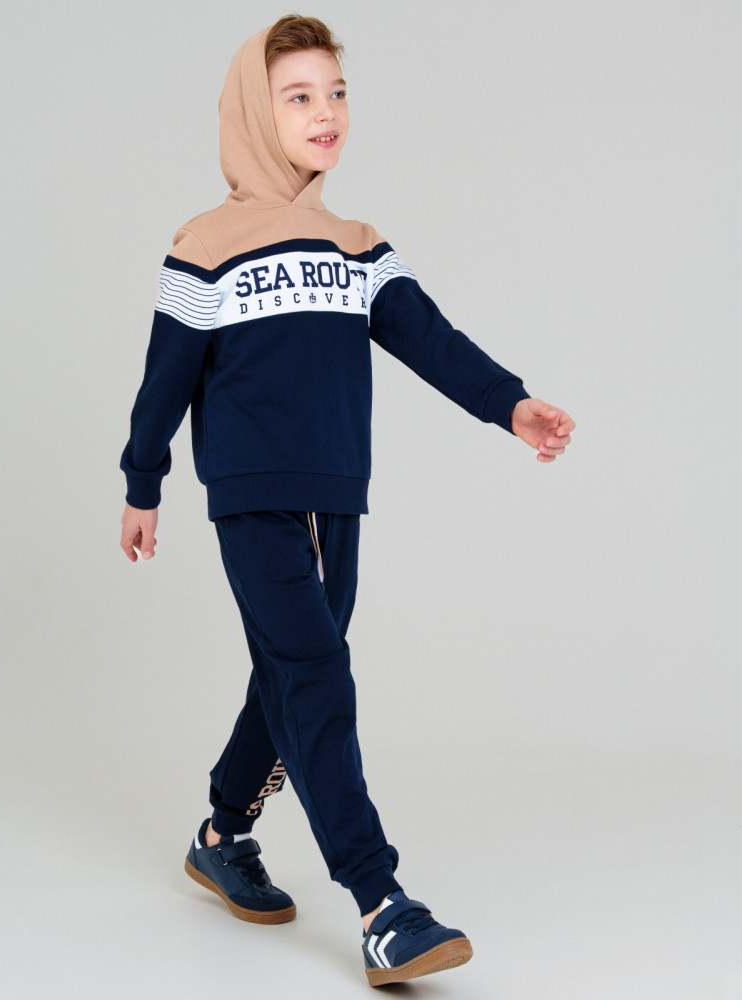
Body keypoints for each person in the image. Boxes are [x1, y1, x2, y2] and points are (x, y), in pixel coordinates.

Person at [119, 14, 575, 987]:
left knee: (293, 669)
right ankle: (382, 903)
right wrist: (142, 481)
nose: (325, 112)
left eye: (335, 93)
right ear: (255, 111)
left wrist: (511, 404)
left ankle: (222, 833)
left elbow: (431, 338)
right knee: (318, 672)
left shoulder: (357, 246)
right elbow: (166, 377)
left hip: (336, 497)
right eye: (299, 96)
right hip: (251, 495)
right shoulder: (206, 243)